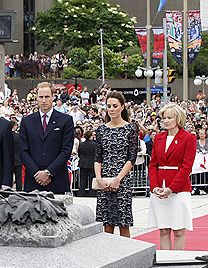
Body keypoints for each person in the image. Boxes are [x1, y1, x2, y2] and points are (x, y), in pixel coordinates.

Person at [148, 104, 196, 250]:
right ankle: (165, 261)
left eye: (169, 117)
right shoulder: (159, 138)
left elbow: (186, 167)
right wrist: (155, 186)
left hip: (179, 189)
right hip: (160, 187)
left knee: (179, 230)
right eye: (164, 118)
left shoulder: (188, 138)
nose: (166, 121)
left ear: (178, 118)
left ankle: (177, 262)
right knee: (163, 230)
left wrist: (171, 188)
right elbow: (153, 164)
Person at [94, 91, 138, 237]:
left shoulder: (131, 128)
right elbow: (98, 157)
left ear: (122, 107)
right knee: (106, 224)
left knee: (123, 222)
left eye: (115, 106)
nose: (111, 109)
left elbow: (131, 158)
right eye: (109, 106)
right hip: (105, 181)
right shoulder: (101, 129)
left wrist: (118, 179)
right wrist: (99, 179)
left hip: (122, 180)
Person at [19, 82, 74, 194]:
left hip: (57, 179)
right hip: (33, 180)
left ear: (53, 97)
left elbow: (66, 150)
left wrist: (49, 172)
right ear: (36, 98)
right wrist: (36, 173)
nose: (44, 100)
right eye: (41, 97)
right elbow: (23, 150)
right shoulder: (27, 121)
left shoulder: (65, 120)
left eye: (47, 97)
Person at [77, 130, 96, 197]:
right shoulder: (94, 145)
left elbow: (79, 153)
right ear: (90, 136)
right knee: (92, 179)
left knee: (82, 179)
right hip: (92, 164)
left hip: (83, 163)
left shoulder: (81, 144)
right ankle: (92, 193)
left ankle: (81, 193)